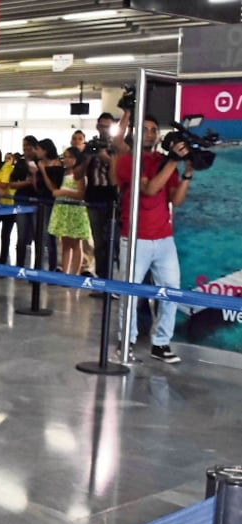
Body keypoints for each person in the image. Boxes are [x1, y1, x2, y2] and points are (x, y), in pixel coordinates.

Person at [113, 114, 194, 363]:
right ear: (135, 134)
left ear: (158, 135)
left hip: (164, 238)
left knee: (171, 292)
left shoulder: (163, 161)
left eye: (153, 130)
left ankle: (160, 343)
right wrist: (173, 161)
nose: (149, 134)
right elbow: (149, 189)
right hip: (135, 238)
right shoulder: (128, 161)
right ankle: (126, 342)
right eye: (145, 129)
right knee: (130, 293)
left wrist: (187, 173)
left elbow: (176, 200)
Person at [85, 112, 119, 280]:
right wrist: (88, 155)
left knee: (112, 240)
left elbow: (117, 176)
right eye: (102, 126)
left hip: (111, 198)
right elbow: (80, 172)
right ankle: (101, 278)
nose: (104, 130)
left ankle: (115, 278)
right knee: (98, 241)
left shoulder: (117, 147)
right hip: (93, 197)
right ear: (97, 126)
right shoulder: (92, 145)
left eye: (108, 127)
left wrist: (106, 157)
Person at [47, 147, 92, 274]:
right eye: (65, 157)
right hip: (63, 210)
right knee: (65, 243)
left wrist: (63, 192)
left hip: (74, 211)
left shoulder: (79, 174)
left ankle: (75, 273)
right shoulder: (63, 173)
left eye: (70, 157)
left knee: (76, 243)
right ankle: (65, 272)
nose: (66, 160)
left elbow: (80, 194)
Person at [35, 138, 64, 271]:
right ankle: (38, 267)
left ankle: (52, 267)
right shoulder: (39, 164)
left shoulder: (57, 166)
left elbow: (52, 188)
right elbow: (37, 185)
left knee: (50, 235)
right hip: (39, 201)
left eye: (38, 149)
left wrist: (43, 170)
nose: (36, 152)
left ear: (45, 150)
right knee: (39, 235)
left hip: (51, 202)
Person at [11, 137, 39, 268]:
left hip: (37, 202)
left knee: (38, 234)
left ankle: (38, 267)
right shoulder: (20, 163)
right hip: (21, 200)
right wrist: (26, 183)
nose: (26, 148)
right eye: (24, 145)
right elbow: (12, 183)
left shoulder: (40, 162)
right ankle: (20, 265)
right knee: (21, 235)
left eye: (29, 145)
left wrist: (33, 178)